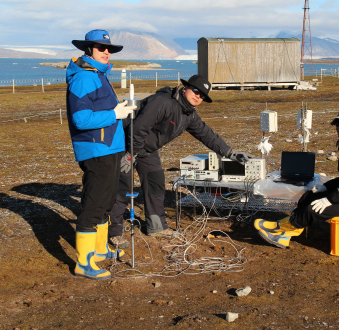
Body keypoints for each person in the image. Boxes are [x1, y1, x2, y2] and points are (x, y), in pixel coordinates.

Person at [108, 74, 253, 245]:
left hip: (147, 149)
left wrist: (230, 153)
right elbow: (138, 128)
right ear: (186, 88)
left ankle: (156, 227)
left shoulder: (188, 114)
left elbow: (206, 134)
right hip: (127, 144)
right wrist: (131, 154)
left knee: (155, 182)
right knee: (123, 187)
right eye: (196, 91)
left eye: (203, 96)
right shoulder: (163, 102)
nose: (198, 96)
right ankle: (114, 232)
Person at [254, 105, 339, 248]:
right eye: (337, 123)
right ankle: (287, 233)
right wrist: (326, 187)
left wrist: (329, 199)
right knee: (309, 196)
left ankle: (281, 227)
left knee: (314, 209)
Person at [66, 29, 137, 279]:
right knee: (95, 203)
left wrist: (119, 110)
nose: (106, 52)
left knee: (106, 201)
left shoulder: (99, 75)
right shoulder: (85, 78)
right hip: (96, 149)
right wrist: (115, 114)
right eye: (100, 48)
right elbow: (81, 119)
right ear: (88, 50)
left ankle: (98, 251)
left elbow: (101, 110)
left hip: (109, 148)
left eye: (109, 49)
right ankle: (83, 264)